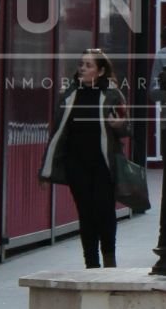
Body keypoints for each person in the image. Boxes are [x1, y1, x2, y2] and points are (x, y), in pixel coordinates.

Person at [39, 48, 128, 268]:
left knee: (105, 211)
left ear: (99, 71)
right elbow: (58, 132)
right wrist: (45, 168)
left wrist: (120, 125)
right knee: (86, 212)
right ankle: (91, 263)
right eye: (81, 64)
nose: (82, 69)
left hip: (104, 164)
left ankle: (109, 260)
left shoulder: (112, 94)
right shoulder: (69, 95)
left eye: (88, 65)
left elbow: (126, 126)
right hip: (76, 163)